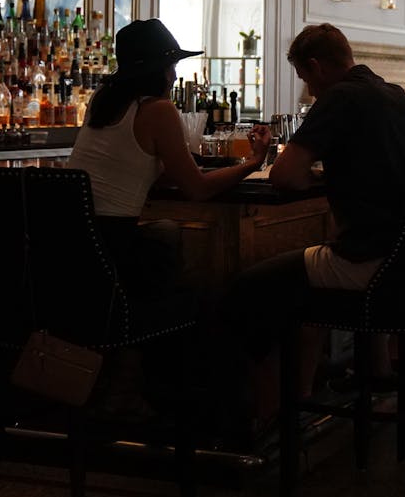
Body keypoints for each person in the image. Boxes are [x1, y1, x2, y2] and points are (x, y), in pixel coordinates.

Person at [227, 24, 405, 412]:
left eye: (304, 79)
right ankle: (315, 388)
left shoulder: (339, 97)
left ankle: (269, 412)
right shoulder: (395, 94)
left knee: (246, 287)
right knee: (305, 277)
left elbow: (283, 175)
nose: (309, 90)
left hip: (365, 260)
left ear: (315, 67)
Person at [68, 17, 270, 296]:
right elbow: (197, 188)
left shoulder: (102, 98)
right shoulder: (158, 110)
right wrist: (253, 162)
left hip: (74, 243)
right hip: (114, 248)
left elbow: (133, 164)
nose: (174, 75)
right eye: (172, 66)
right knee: (196, 272)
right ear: (158, 70)